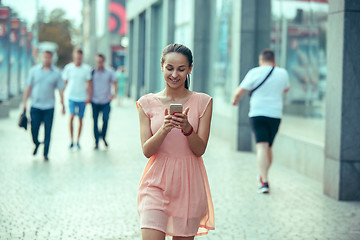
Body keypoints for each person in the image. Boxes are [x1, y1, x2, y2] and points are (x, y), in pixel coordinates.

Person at [136, 43, 215, 240]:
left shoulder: (203, 102)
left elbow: (200, 150)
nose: (174, 74)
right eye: (169, 68)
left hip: (188, 185)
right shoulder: (146, 103)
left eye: (181, 69)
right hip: (155, 184)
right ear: (162, 66)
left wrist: (187, 128)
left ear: (190, 69)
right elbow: (146, 150)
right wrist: (165, 129)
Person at [232, 49, 290, 194]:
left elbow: (239, 91)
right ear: (274, 60)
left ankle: (264, 181)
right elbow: (286, 90)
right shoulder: (282, 73)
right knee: (268, 147)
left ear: (261, 60)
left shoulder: (254, 72)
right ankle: (264, 177)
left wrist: (235, 101)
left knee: (262, 147)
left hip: (258, 113)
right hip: (275, 115)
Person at [22, 50, 65, 161]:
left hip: (49, 107)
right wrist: (24, 103)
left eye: (49, 57)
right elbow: (28, 87)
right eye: (45, 57)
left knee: (48, 131)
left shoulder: (56, 73)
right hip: (35, 105)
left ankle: (46, 153)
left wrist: (63, 103)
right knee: (34, 128)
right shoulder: (34, 71)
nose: (47, 59)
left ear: (52, 59)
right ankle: (36, 143)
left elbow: (61, 89)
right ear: (41, 58)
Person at [62, 48, 92, 150]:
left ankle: (78, 140)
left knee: (80, 118)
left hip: (82, 98)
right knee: (71, 117)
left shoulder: (86, 69)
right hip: (71, 97)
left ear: (82, 57)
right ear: (73, 56)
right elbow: (65, 82)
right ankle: (71, 140)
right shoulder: (68, 68)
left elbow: (89, 83)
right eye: (77, 57)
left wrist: (88, 96)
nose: (78, 59)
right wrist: (62, 97)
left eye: (80, 57)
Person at [91, 54, 118, 149]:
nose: (99, 63)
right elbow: (88, 85)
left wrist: (113, 94)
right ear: (95, 61)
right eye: (98, 61)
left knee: (105, 120)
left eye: (101, 61)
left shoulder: (109, 72)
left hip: (106, 101)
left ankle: (103, 136)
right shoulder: (92, 72)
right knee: (94, 122)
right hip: (94, 101)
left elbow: (115, 82)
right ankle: (96, 141)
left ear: (104, 61)